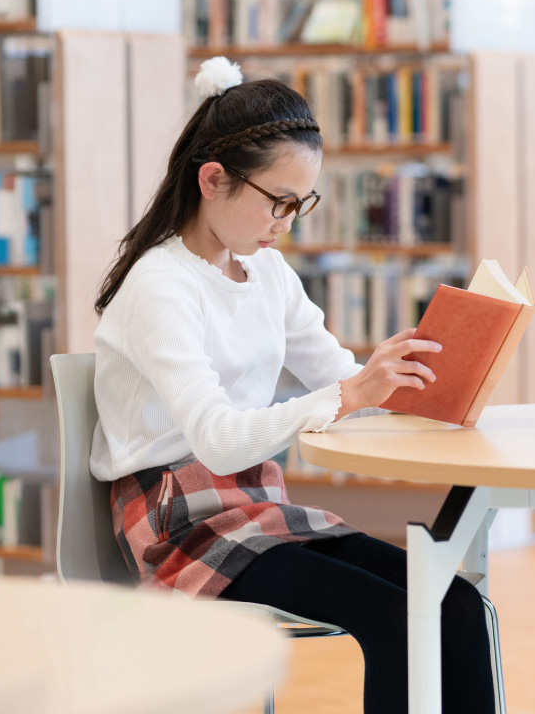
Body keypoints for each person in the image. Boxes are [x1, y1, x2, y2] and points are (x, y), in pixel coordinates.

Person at [88, 57, 494, 714]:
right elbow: (219, 440)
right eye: (279, 201)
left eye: (301, 203)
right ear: (213, 180)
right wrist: (351, 393)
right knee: (395, 615)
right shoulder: (160, 287)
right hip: (180, 521)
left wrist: (407, 380)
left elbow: (339, 378)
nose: (288, 221)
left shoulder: (268, 273)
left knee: (456, 599)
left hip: (259, 505)